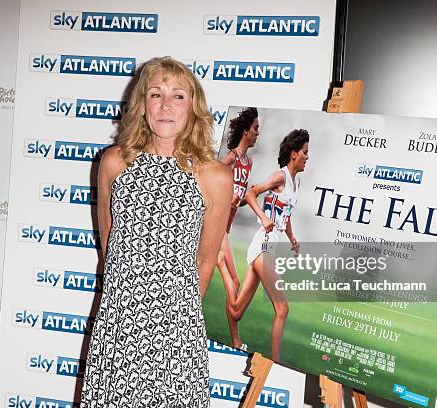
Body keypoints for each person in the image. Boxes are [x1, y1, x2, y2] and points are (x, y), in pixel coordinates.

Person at [80, 56, 232, 408]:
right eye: (155, 94)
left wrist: (170, 318)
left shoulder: (215, 176)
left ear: (192, 108)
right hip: (118, 324)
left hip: (175, 332)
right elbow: (110, 243)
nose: (166, 105)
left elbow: (205, 263)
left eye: (178, 96)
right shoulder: (114, 162)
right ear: (141, 105)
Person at [226, 129, 309, 362]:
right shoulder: (279, 177)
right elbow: (252, 193)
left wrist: (292, 238)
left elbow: (286, 214)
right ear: (293, 154)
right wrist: (263, 217)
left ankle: (223, 269)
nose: (307, 157)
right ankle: (276, 363)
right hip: (263, 243)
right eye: (304, 152)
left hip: (270, 245)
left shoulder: (296, 182)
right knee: (282, 308)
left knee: (237, 311)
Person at [216, 107, 259, 349]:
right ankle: (235, 340)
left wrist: (246, 197)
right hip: (218, 228)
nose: (257, 133)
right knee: (233, 280)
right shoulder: (231, 158)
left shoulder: (248, 162)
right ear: (245, 131)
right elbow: (211, 184)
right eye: (255, 128)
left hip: (227, 229)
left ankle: (235, 340)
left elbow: (238, 197)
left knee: (235, 283)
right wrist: (227, 199)